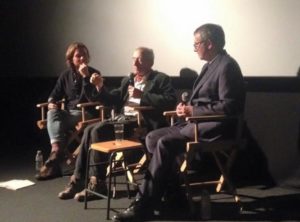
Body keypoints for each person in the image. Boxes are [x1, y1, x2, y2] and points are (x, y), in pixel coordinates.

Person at [112, 23, 246, 222]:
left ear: (209, 44)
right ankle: (175, 195)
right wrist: (185, 107)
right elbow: (204, 100)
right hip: (196, 123)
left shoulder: (227, 66)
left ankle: (143, 205)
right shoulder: (210, 65)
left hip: (214, 127)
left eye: (196, 44)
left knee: (165, 143)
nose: (194, 48)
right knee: (151, 138)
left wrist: (193, 110)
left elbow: (229, 107)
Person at [57, 47, 177, 201]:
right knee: (89, 130)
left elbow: (169, 101)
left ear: (150, 62)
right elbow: (111, 99)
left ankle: (97, 183)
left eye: (139, 59)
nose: (134, 62)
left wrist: (143, 96)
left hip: (140, 124)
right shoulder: (128, 80)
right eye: (133, 58)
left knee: (98, 130)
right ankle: (78, 180)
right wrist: (100, 86)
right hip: (122, 119)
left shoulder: (160, 79)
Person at [35, 42, 102, 180]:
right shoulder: (65, 75)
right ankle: (57, 152)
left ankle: (54, 160)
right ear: (71, 59)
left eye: (84, 55)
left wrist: (85, 77)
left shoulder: (94, 74)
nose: (82, 58)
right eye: (78, 56)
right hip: (69, 113)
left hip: (86, 113)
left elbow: (93, 97)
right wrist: (51, 102)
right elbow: (55, 94)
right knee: (52, 113)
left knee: (58, 122)